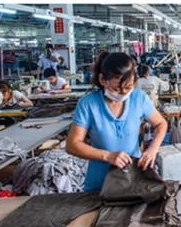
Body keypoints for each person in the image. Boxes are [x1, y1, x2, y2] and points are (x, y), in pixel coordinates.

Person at [65, 52, 168, 192]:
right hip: (99, 185)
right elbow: (72, 145)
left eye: (128, 87)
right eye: (116, 88)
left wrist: (152, 150)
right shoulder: (88, 104)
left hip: (133, 180)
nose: (123, 93)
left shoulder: (138, 98)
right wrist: (108, 156)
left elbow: (161, 124)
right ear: (102, 80)